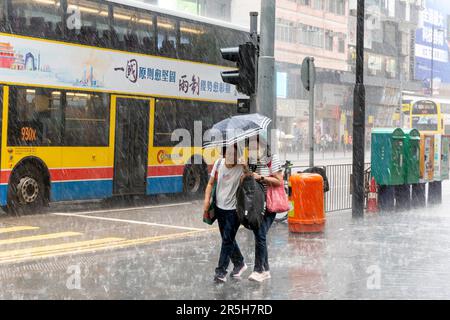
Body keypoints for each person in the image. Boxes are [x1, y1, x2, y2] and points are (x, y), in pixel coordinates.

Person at [203, 144, 247, 283]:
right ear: (223, 154)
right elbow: (210, 183)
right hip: (219, 208)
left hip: (234, 210)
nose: (231, 157)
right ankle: (239, 262)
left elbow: (250, 182)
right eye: (228, 153)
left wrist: (246, 169)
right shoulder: (218, 163)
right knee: (227, 239)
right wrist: (206, 200)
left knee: (227, 239)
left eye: (234, 154)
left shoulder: (241, 168)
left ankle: (220, 272)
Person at [247, 135, 283, 282]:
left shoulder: (272, 159)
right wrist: (246, 171)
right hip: (256, 204)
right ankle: (266, 269)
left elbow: (279, 181)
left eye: (255, 147)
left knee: (260, 233)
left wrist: (261, 178)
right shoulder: (252, 161)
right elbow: (250, 179)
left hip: (269, 203)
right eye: (250, 147)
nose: (252, 150)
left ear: (262, 145)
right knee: (259, 235)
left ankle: (259, 269)